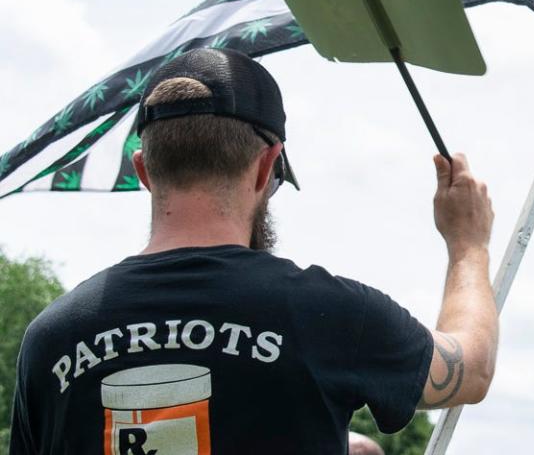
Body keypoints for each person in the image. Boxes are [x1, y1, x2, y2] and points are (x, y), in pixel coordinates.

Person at [9, 47, 498, 454]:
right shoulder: (326, 313)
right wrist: (468, 245)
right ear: (267, 168)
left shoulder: (49, 340)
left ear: (144, 171)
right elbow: (470, 368)